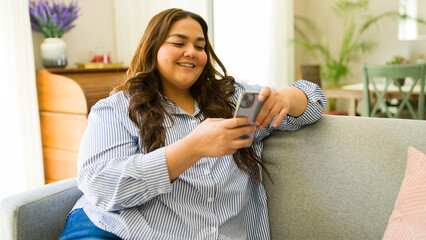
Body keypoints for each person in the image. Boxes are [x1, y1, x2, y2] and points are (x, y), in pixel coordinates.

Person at [59, 8, 326, 240]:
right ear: (153, 48)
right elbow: (100, 187)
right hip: (122, 229)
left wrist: (286, 99)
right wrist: (193, 148)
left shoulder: (232, 99)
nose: (192, 52)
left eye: (200, 46)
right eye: (179, 42)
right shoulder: (116, 109)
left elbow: (314, 98)